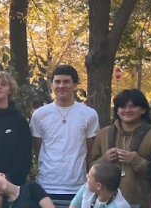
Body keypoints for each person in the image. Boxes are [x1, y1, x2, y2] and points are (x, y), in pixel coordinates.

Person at [29, 65, 100, 198]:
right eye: (57, 82)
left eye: (66, 81)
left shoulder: (89, 114)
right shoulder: (39, 115)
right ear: (51, 85)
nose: (61, 85)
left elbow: (90, 150)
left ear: (75, 85)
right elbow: (38, 148)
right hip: (46, 185)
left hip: (78, 186)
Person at [88, 88, 151, 208]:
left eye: (132, 106)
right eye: (122, 107)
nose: (127, 110)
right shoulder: (103, 134)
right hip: (105, 204)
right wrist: (105, 159)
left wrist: (135, 161)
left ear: (143, 109)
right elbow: (90, 167)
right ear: (117, 110)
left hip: (141, 206)